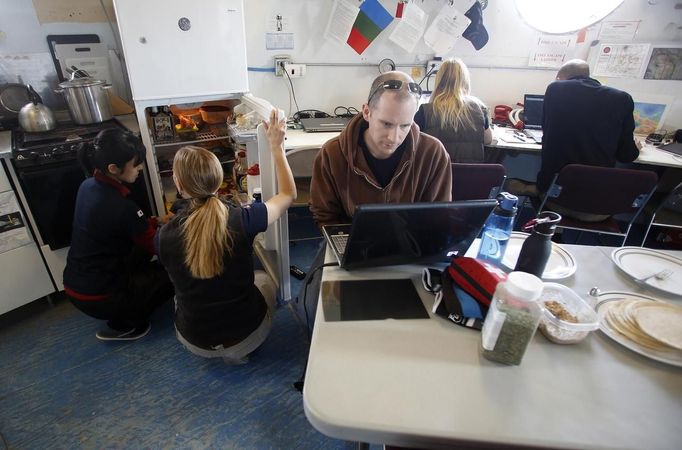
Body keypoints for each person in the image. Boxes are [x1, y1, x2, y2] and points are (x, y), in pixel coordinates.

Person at [157, 110, 296, 364]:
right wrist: (276, 147)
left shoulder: (164, 236)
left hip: (194, 340)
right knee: (264, 278)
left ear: (178, 184)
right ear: (218, 179)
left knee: (182, 296)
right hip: (247, 336)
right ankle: (238, 352)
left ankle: (219, 349)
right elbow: (287, 195)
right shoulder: (242, 219)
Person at [63, 128, 173, 341]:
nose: (140, 167)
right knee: (174, 276)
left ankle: (126, 301)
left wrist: (157, 221)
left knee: (142, 255)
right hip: (100, 296)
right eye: (136, 163)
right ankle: (128, 324)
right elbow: (161, 248)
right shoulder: (124, 208)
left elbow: (121, 225)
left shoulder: (87, 186)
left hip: (76, 285)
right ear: (113, 168)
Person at [310, 71, 452, 227]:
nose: (394, 137)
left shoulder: (433, 154)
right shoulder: (332, 153)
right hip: (352, 241)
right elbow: (325, 216)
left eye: (405, 125)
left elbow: (437, 216)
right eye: (386, 124)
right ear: (366, 112)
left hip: (411, 244)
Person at [536, 59, 641, 199]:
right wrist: (637, 148)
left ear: (559, 77)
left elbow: (547, 129)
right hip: (597, 203)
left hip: (553, 196)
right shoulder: (623, 99)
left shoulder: (555, 89)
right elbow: (626, 156)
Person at [414, 58, 493, 163]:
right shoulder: (479, 109)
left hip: (437, 177)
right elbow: (488, 140)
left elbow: (412, 141)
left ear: (439, 80)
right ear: (465, 81)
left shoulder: (426, 111)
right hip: (470, 177)